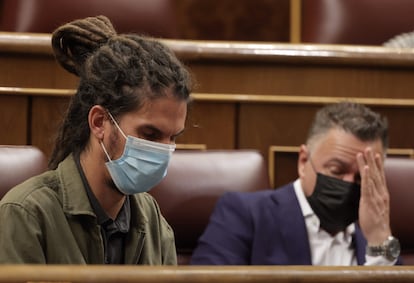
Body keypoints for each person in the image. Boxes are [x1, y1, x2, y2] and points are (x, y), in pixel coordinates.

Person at [0, 15, 192, 264]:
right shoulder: (25, 214)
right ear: (99, 122)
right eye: (150, 135)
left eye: (173, 137)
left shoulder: (153, 221)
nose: (163, 151)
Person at [191, 101, 401, 265]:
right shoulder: (245, 214)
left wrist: (379, 240)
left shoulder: (376, 231)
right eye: (337, 170)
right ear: (303, 161)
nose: (348, 184)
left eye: (361, 177)